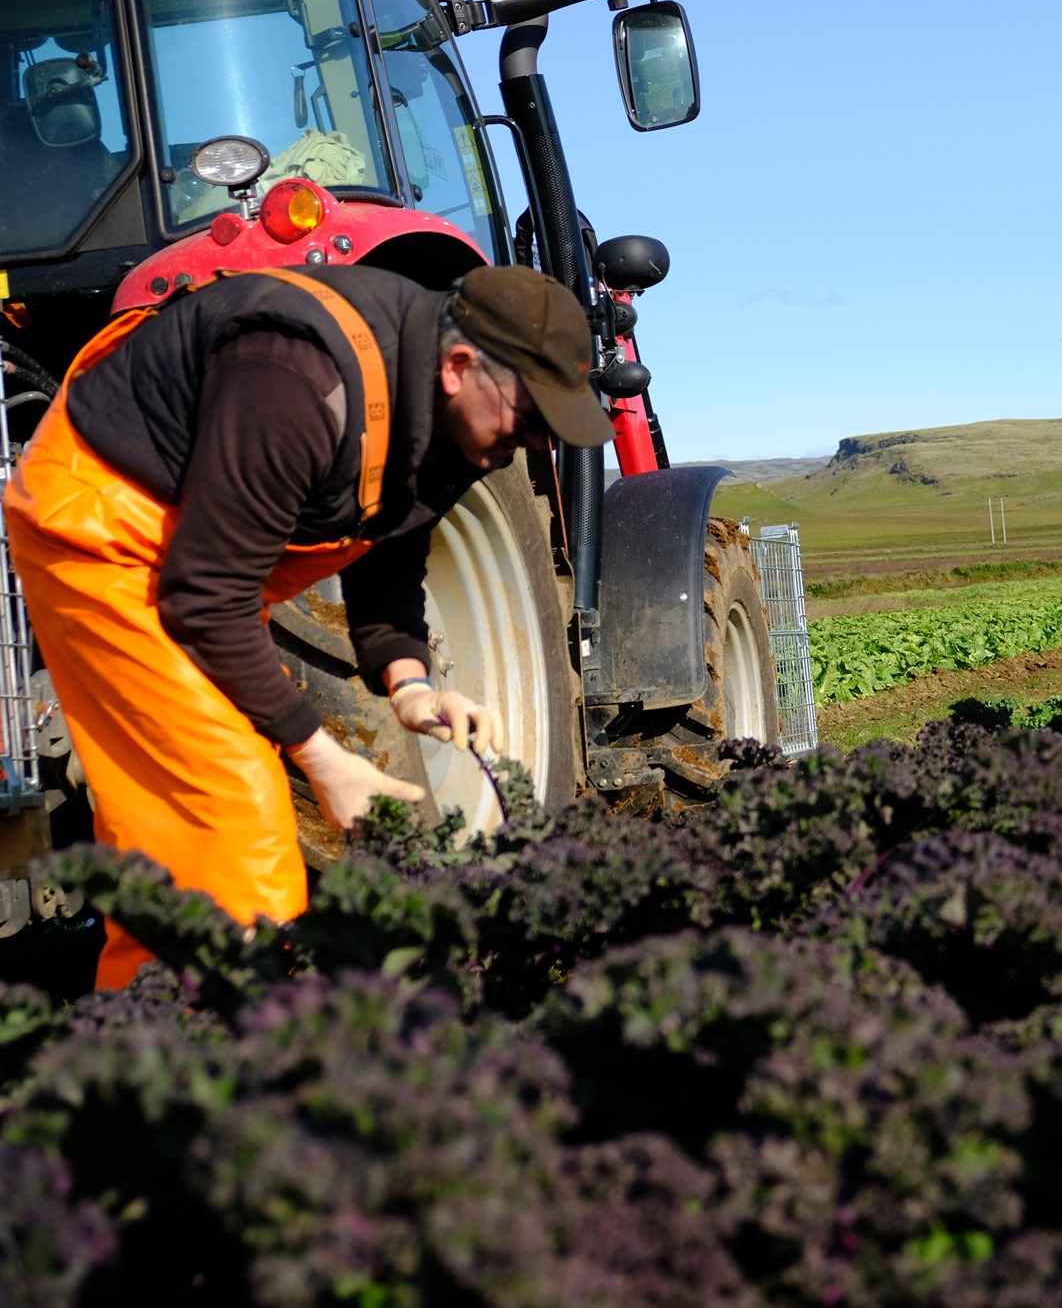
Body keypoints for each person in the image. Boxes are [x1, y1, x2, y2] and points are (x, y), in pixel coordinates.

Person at [4, 262, 614, 989]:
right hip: (104, 536)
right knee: (234, 829)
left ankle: (154, 1029)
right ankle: (205, 1038)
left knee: (179, 835)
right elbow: (206, 598)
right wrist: (324, 761)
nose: (535, 441)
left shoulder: (453, 419)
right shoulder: (296, 380)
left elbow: (391, 551)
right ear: (458, 368)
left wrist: (413, 687)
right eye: (532, 415)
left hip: (202, 568)